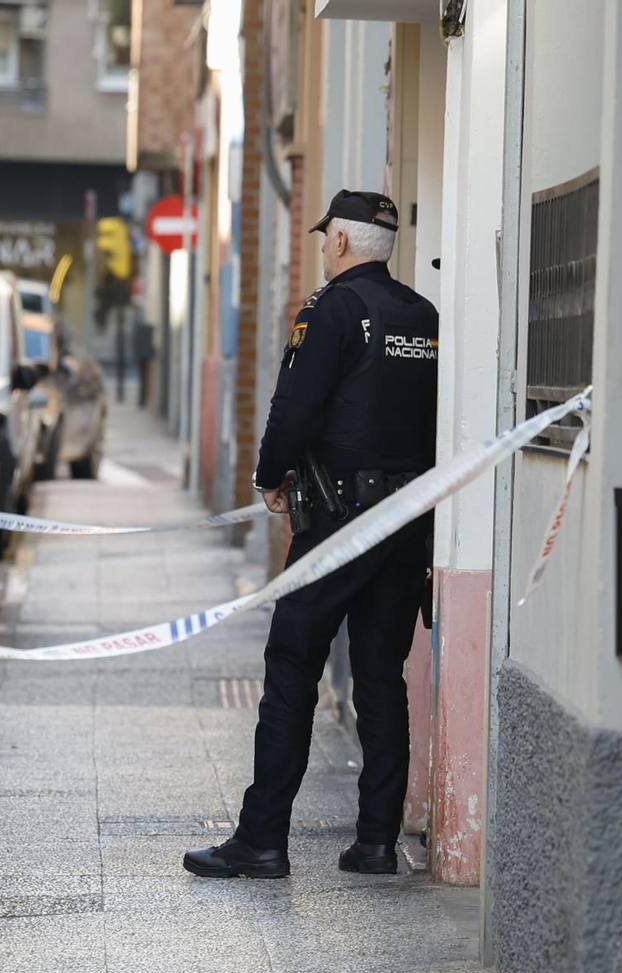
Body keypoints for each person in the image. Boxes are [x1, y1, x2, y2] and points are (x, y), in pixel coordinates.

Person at [183, 190, 440, 879]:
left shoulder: (331, 310)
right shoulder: (423, 316)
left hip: (335, 522)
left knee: (293, 665)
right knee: (382, 677)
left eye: (329, 237)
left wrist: (271, 475)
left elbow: (296, 408)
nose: (326, 247)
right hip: (405, 525)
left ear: (341, 244)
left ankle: (262, 838)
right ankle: (378, 841)